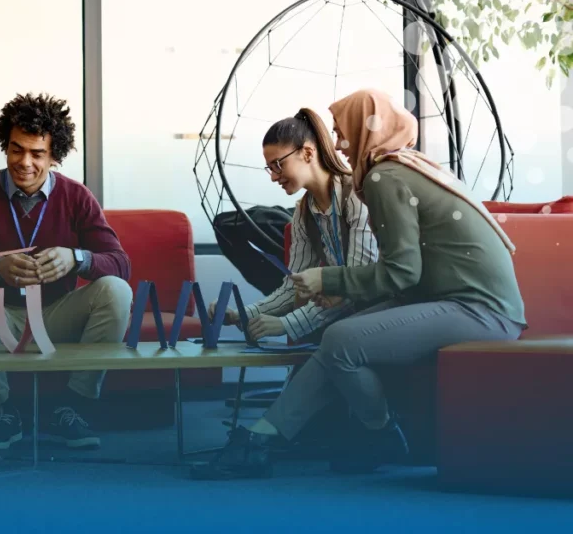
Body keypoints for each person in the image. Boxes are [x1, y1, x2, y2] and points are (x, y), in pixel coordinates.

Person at [191, 88, 526, 480]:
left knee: (341, 340)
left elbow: (399, 273)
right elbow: (370, 277)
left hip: (478, 310)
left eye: (342, 131)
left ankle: (381, 431)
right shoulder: (397, 169)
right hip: (450, 301)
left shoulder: (382, 178)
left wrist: (323, 282)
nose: (338, 143)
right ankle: (262, 438)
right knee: (337, 341)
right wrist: (256, 312)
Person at [0, 92, 133, 450]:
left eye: (37, 153)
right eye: (16, 150)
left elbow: (120, 264)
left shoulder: (77, 196)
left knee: (117, 291)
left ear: (54, 155)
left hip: (58, 314)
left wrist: (77, 259)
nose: (24, 162)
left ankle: (72, 407)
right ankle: (3, 410)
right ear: (5, 146)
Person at [207, 108, 379, 345]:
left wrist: (286, 324)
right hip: (342, 317)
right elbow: (292, 287)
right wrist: (241, 315)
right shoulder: (304, 212)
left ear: (307, 153)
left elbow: (357, 284)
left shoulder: (356, 197)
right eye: (270, 168)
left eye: (278, 164)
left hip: (377, 312)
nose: (273, 177)